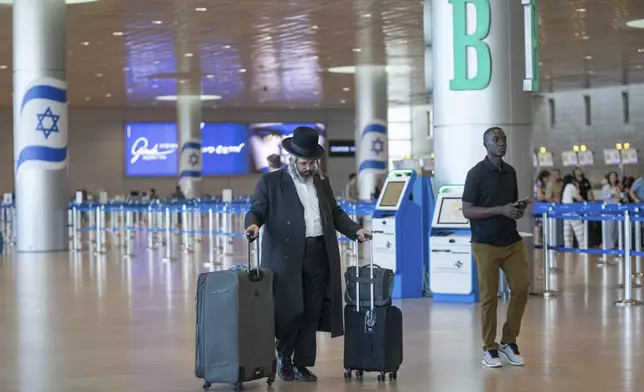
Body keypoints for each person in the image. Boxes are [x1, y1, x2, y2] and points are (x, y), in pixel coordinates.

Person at [245, 126, 371, 382]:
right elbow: (257, 209)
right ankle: (284, 356)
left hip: (318, 254)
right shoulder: (271, 182)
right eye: (304, 163)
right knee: (291, 310)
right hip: (286, 257)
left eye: (312, 162)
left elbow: (335, 213)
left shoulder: (321, 182)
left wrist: (355, 230)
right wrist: (253, 224)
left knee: (312, 311)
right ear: (292, 159)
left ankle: (302, 363)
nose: (308, 167)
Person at [461, 127, 529, 369]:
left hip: (511, 241)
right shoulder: (476, 174)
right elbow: (467, 210)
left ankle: (509, 342)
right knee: (489, 298)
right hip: (485, 244)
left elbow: (509, 204)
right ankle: (489, 348)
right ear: (486, 144)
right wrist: (500, 210)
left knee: (521, 288)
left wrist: (516, 210)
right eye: (496, 140)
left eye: (504, 139)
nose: (501, 143)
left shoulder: (510, 172)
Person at [561, 174, 585, 249]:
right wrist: (584, 201)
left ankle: (568, 250)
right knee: (579, 231)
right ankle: (583, 248)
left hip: (565, 212)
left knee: (567, 233)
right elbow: (578, 197)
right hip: (572, 211)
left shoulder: (565, 188)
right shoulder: (571, 186)